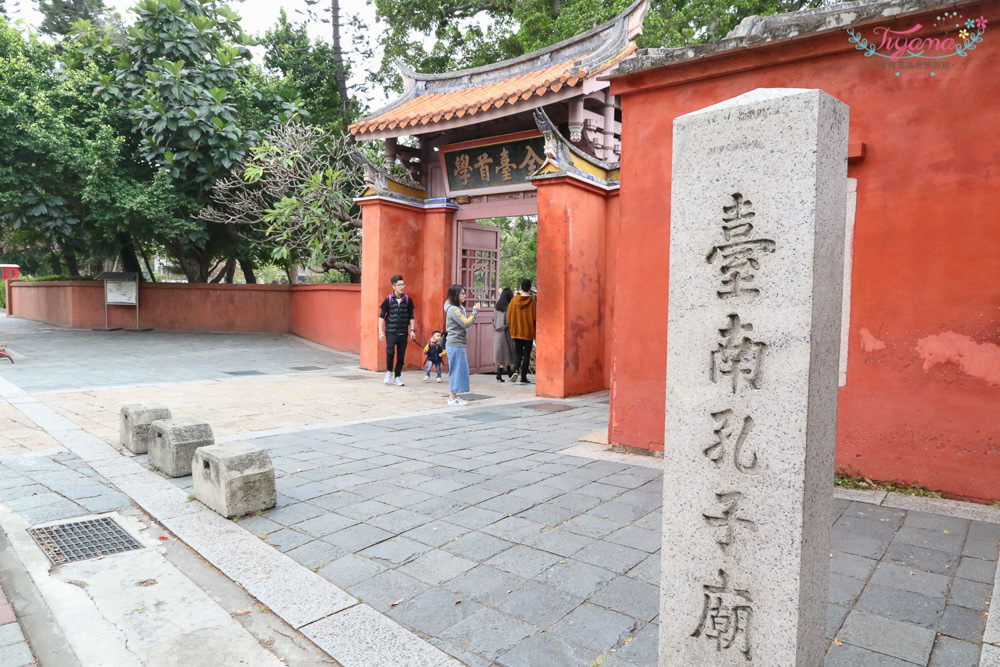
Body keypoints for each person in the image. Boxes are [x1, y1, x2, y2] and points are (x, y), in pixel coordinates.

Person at [443, 284, 479, 406]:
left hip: (459, 344)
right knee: (456, 371)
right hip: (455, 344)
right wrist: (474, 312)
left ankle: (454, 397)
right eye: (462, 293)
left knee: (460, 370)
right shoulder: (453, 309)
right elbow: (466, 323)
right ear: (455, 295)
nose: (465, 295)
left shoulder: (458, 307)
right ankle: (452, 398)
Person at [378, 274, 415, 386]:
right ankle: (389, 372)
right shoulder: (388, 299)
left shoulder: (408, 300)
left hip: (403, 332)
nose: (402, 287)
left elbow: (411, 316)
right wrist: (380, 331)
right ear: (393, 286)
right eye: (399, 285)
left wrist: (412, 330)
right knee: (390, 353)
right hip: (390, 331)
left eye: (403, 284)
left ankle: (397, 377)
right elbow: (382, 315)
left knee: (401, 356)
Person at [506, 278, 536, 384]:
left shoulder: (513, 301)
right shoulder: (532, 301)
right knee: (527, 354)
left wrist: (512, 328)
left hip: (516, 331)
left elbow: (509, 316)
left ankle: (515, 370)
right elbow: (535, 317)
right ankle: (523, 377)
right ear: (530, 288)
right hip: (528, 332)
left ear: (520, 287)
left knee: (518, 353)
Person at [492, 288, 516, 383]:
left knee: (502, 355)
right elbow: (510, 321)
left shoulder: (496, 307)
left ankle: (505, 374)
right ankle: (501, 375)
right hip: (506, 334)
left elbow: (493, 320)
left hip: (497, 335)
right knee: (507, 354)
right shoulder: (509, 307)